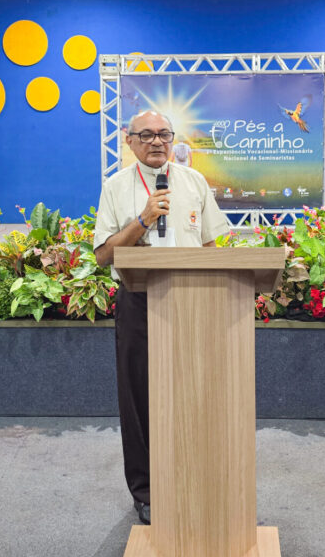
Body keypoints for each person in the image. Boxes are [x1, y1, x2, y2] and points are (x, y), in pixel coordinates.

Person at [93, 111, 229, 525]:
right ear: (130, 141)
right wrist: (144, 219)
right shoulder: (116, 186)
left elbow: (210, 245)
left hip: (193, 299)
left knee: (196, 392)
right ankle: (147, 491)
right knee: (139, 397)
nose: (157, 141)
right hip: (139, 299)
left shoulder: (194, 181)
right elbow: (103, 255)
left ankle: (196, 479)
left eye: (164, 134)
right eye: (147, 135)